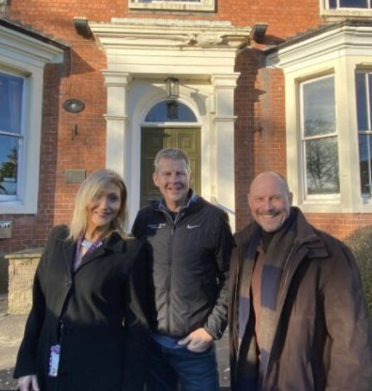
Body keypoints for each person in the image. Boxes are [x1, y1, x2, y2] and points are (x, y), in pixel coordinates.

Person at [228, 171, 372, 391]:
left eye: (275, 198)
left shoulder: (328, 255)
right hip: (250, 380)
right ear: (249, 201)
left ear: (290, 198)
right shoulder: (241, 249)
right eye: (259, 199)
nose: (267, 207)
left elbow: (352, 342)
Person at [14, 169, 150, 391]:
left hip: (98, 371)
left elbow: (138, 323)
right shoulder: (58, 238)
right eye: (97, 195)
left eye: (113, 198)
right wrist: (26, 364)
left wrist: (131, 384)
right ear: (84, 197)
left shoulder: (130, 250)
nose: (104, 205)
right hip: (48, 363)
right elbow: (39, 307)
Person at [132, 148, 235, 391]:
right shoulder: (145, 219)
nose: (173, 180)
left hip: (195, 347)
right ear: (156, 179)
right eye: (166, 174)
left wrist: (211, 329)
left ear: (190, 176)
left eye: (180, 173)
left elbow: (231, 276)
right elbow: (134, 275)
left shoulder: (213, 218)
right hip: (153, 346)